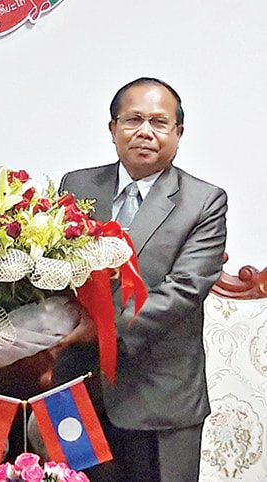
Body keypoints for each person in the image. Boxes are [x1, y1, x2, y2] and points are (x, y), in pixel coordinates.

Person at [55, 77, 228, 481]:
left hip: (159, 398)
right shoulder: (76, 186)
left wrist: (99, 330)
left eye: (158, 122)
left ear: (178, 134)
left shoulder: (203, 200)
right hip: (80, 390)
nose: (145, 131)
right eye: (133, 119)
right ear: (113, 129)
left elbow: (184, 290)